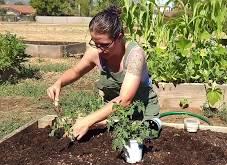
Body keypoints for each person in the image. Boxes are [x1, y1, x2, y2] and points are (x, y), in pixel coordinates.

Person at [47, 5, 160, 140]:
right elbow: (75, 71)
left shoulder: (135, 55)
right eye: (95, 43)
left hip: (143, 115)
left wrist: (87, 121)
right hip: (113, 116)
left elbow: (125, 100)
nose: (99, 49)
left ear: (119, 37)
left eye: (105, 45)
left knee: (138, 141)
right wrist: (59, 83)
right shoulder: (96, 52)